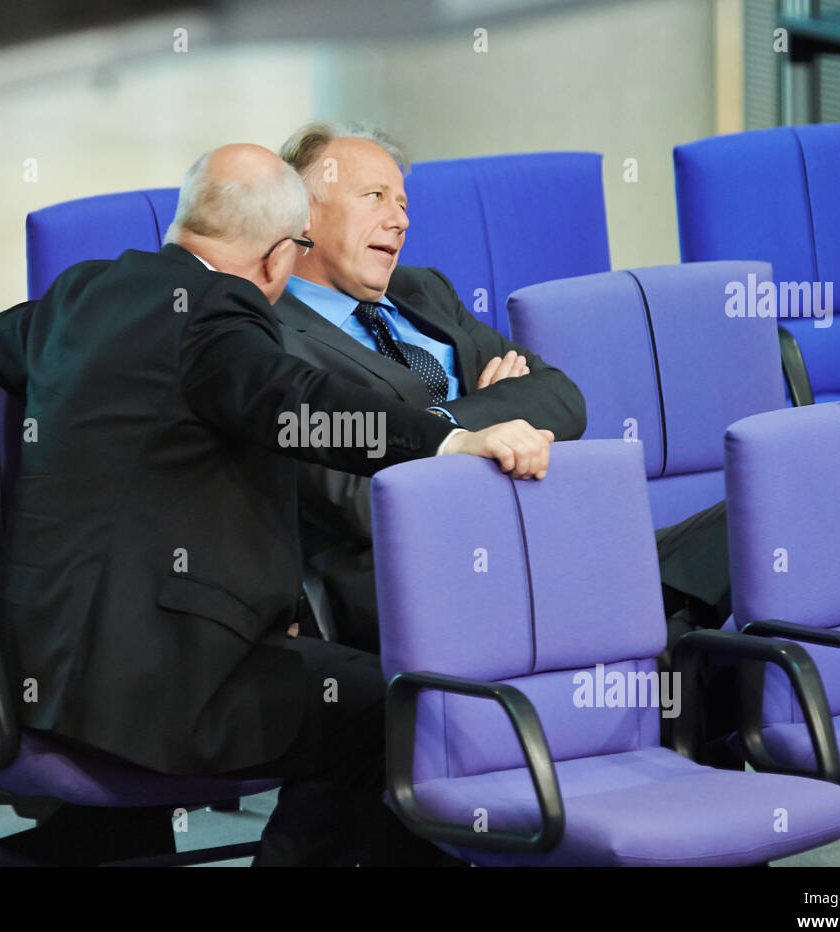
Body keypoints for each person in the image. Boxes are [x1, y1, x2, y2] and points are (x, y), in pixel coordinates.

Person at [0, 142, 553, 865]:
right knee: (400, 713)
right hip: (159, 687)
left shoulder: (82, 294)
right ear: (280, 257)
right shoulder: (218, 317)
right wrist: (448, 440)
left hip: (33, 661)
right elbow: (299, 403)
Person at [273, 121, 731, 654]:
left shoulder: (424, 290)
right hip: (432, 579)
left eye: (402, 204)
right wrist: (469, 424)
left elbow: (560, 399)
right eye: (375, 197)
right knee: (687, 642)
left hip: (545, 540)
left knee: (748, 524)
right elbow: (357, 498)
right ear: (301, 213)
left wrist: (438, 428)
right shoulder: (270, 336)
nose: (398, 220)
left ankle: (660, 656)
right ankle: (667, 660)